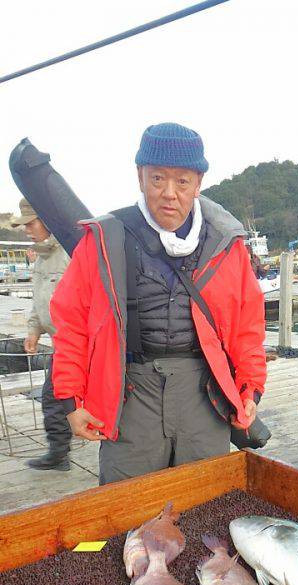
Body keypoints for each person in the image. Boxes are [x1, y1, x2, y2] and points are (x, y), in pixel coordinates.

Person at [50, 122, 266, 484]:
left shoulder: (227, 245)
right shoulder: (103, 238)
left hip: (205, 392)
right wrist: (71, 400)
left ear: (198, 183)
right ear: (140, 176)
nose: (169, 193)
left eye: (182, 182)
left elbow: (248, 325)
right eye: (157, 179)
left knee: (205, 499)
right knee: (125, 506)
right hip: (130, 391)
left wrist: (251, 386)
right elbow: (71, 323)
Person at [10, 198, 72, 471]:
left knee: (59, 399)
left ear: (47, 220)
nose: (26, 230)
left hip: (78, 346)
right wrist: (33, 331)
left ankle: (60, 454)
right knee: (54, 398)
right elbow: (38, 301)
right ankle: (59, 454)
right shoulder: (42, 259)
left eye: (30, 223)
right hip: (60, 345)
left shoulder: (69, 253)